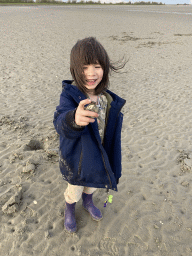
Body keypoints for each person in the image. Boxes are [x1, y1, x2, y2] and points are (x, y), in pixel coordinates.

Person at [53, 37, 126, 233]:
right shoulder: (69, 95)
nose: (91, 73)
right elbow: (59, 122)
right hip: (77, 159)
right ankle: (70, 209)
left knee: (92, 185)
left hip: (99, 154)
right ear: (75, 69)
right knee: (74, 190)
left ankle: (88, 201)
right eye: (84, 67)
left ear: (105, 68)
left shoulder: (106, 97)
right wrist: (73, 119)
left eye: (97, 66)